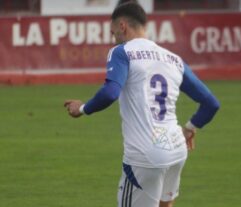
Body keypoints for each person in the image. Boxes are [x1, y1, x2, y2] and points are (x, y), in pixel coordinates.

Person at [64, 2, 220, 207]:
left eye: (113, 33)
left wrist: (82, 109)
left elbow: (110, 93)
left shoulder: (122, 52)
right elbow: (211, 103)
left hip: (145, 155)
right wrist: (190, 128)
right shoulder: (174, 59)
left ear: (122, 26)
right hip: (175, 148)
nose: (113, 39)